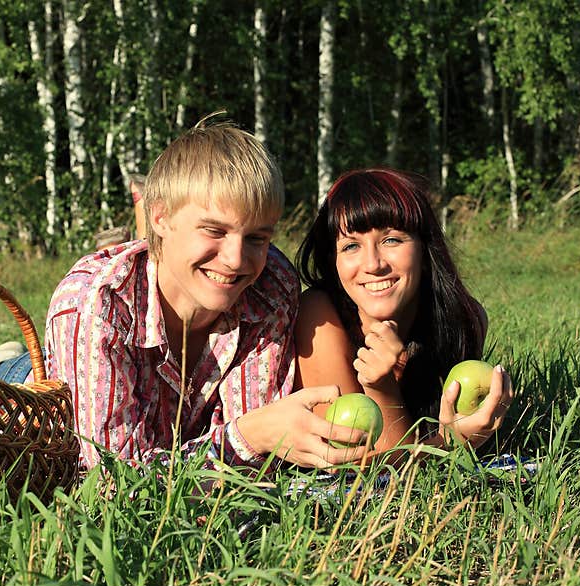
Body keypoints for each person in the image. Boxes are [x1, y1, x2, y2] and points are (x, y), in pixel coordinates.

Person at [31, 115, 368, 474]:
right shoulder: (98, 303)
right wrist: (247, 438)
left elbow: (251, 474)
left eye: (257, 238)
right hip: (56, 372)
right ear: (160, 218)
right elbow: (108, 482)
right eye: (213, 230)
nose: (236, 260)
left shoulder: (270, 285)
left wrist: (252, 441)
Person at [293, 167, 515, 465]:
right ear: (333, 263)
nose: (373, 264)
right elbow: (353, 461)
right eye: (351, 246)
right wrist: (449, 444)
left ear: (424, 249)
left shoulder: (463, 320)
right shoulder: (320, 318)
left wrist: (470, 431)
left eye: (392, 240)